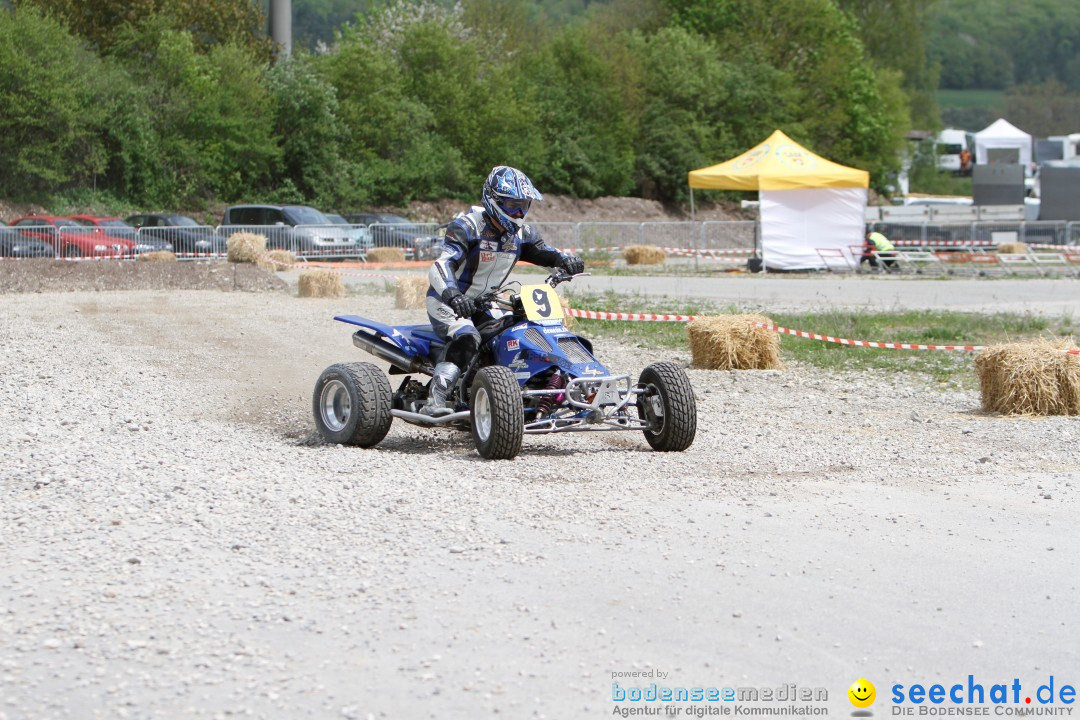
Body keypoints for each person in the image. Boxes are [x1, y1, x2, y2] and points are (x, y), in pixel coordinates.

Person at [421, 166, 584, 416]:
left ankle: (523, 387)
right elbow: (441, 265)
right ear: (492, 199)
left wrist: (567, 260)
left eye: (524, 205)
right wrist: (454, 296)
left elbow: (547, 251)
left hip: (486, 303)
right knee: (467, 337)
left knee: (520, 333)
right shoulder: (467, 226)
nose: (519, 213)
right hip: (449, 301)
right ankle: (437, 397)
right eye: (511, 205)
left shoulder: (522, 234)